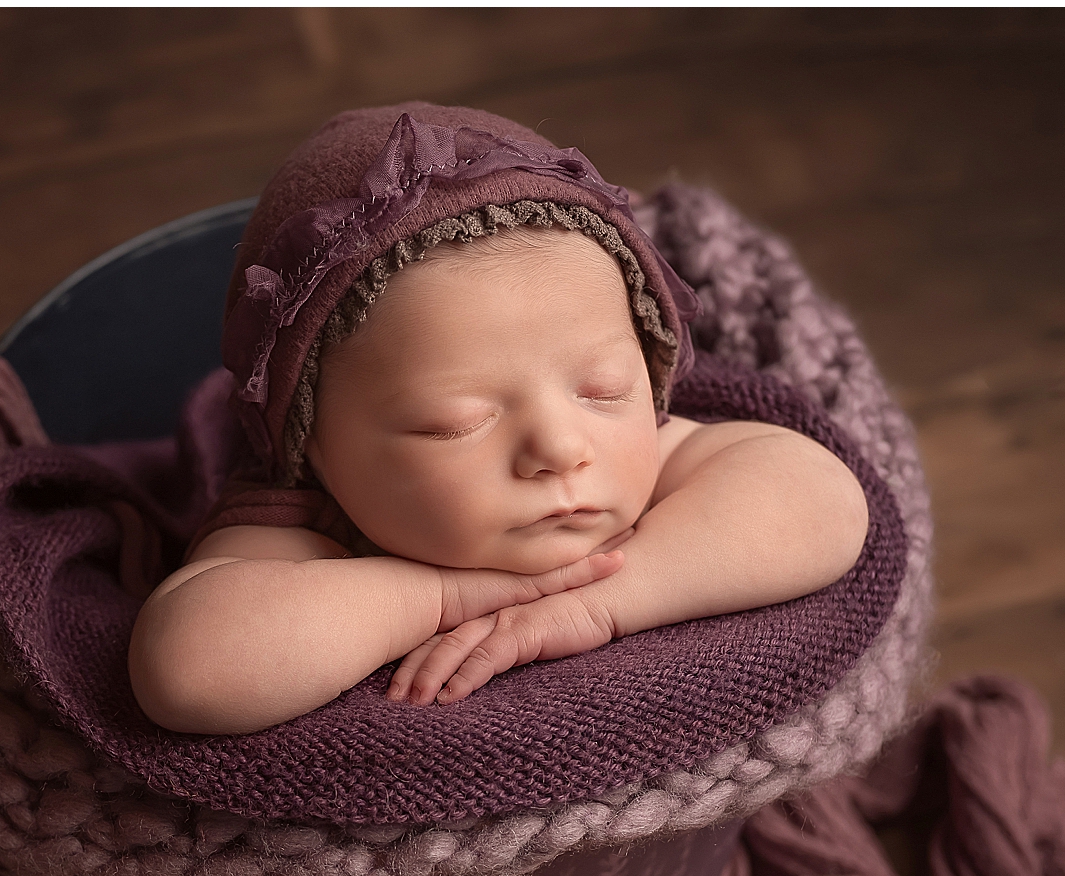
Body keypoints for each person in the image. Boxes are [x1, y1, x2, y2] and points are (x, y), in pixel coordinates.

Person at [128, 102, 868, 736]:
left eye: (603, 389)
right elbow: (188, 671)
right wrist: (435, 596)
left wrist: (609, 602)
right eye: (457, 422)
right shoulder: (309, 524)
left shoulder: (642, 459)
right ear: (310, 443)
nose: (560, 446)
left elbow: (823, 503)